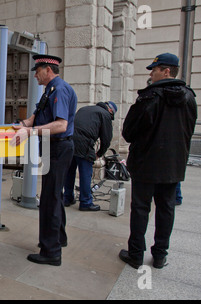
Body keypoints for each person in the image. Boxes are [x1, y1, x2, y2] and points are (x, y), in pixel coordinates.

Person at [119, 53, 197, 269]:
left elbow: (129, 132)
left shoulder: (150, 97)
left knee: (141, 209)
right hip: (173, 166)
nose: (151, 74)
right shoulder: (190, 97)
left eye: (154, 70)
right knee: (166, 209)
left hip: (146, 164)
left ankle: (136, 254)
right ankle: (160, 255)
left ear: (167, 71)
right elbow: (188, 132)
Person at [11, 54, 77, 266]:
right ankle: (59, 239)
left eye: (38, 71)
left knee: (49, 199)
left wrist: (29, 132)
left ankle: (51, 252)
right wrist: (23, 124)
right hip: (53, 147)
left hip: (58, 147)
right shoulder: (50, 91)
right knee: (55, 194)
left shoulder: (60, 90)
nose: (35, 75)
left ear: (48, 70)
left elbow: (61, 125)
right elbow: (37, 116)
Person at [63, 101, 117, 211]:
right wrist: (99, 154)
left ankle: (67, 198)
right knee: (85, 173)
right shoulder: (105, 115)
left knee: (69, 171)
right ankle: (86, 202)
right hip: (84, 143)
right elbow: (106, 139)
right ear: (110, 111)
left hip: (69, 140)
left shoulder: (84, 109)